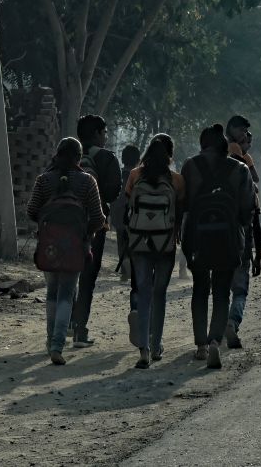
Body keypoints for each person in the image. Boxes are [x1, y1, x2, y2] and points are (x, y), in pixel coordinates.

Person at [27, 137, 106, 365]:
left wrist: (48, 225)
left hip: (48, 246)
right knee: (67, 294)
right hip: (75, 247)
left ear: (57, 154)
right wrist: (85, 233)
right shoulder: (87, 181)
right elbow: (99, 219)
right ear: (79, 158)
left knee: (52, 291)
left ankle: (51, 339)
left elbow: (32, 211)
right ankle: (57, 346)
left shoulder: (44, 180)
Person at [181, 123, 254, 369]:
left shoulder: (191, 166)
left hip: (197, 239)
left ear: (203, 144)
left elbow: (184, 204)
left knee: (200, 288)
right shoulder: (240, 169)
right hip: (229, 240)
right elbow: (247, 211)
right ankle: (214, 341)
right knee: (222, 292)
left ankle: (200, 345)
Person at [124, 134, 185, 368]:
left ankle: (143, 350)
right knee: (160, 294)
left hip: (139, 243)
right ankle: (157, 344)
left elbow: (129, 207)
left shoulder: (134, 175)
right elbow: (180, 211)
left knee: (144, 293)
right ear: (170, 156)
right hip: (165, 243)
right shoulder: (177, 180)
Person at [70, 115, 122, 348]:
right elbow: (112, 193)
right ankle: (80, 329)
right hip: (94, 225)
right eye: (105, 132)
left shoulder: (67, 154)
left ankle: (65, 324)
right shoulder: (107, 158)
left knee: (67, 274)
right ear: (97, 134)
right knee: (88, 278)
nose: (107, 136)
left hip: (66, 223)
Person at [225, 131, 261, 349]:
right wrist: (257, 255)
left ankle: (215, 330)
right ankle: (232, 322)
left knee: (221, 290)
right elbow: (256, 225)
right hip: (243, 245)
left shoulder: (215, 185)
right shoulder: (251, 188)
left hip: (219, 244)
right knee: (240, 291)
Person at [113, 145, 141, 286]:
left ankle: (125, 272)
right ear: (138, 159)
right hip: (133, 215)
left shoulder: (118, 175)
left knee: (121, 241)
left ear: (123, 159)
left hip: (118, 214)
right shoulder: (137, 176)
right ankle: (133, 270)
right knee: (133, 242)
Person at [226, 115, 259, 184]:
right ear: (231, 127)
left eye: (245, 132)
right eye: (241, 130)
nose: (244, 135)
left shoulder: (222, 144)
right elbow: (242, 174)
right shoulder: (234, 147)